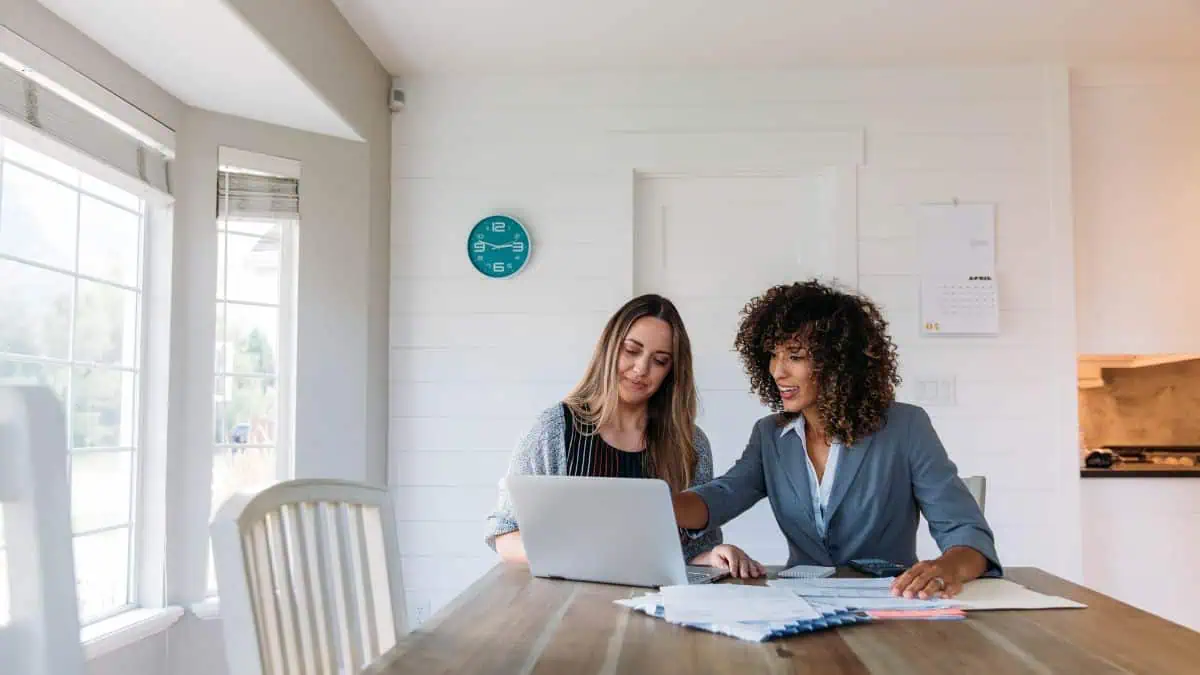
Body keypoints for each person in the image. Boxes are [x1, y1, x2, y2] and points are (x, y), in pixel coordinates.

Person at [673, 280, 1001, 598]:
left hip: (889, 607)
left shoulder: (906, 427)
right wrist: (659, 505)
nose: (777, 371)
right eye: (773, 355)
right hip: (802, 606)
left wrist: (947, 567)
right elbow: (721, 496)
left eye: (795, 356)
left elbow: (967, 534)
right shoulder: (770, 435)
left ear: (838, 362)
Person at [485, 293, 758, 572]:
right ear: (609, 348)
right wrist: (576, 556)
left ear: (672, 372)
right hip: (572, 601)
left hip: (657, 603)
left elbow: (692, 553)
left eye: (660, 360)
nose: (641, 369)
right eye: (631, 350)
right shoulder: (554, 430)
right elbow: (505, 534)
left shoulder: (690, 443)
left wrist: (714, 556)